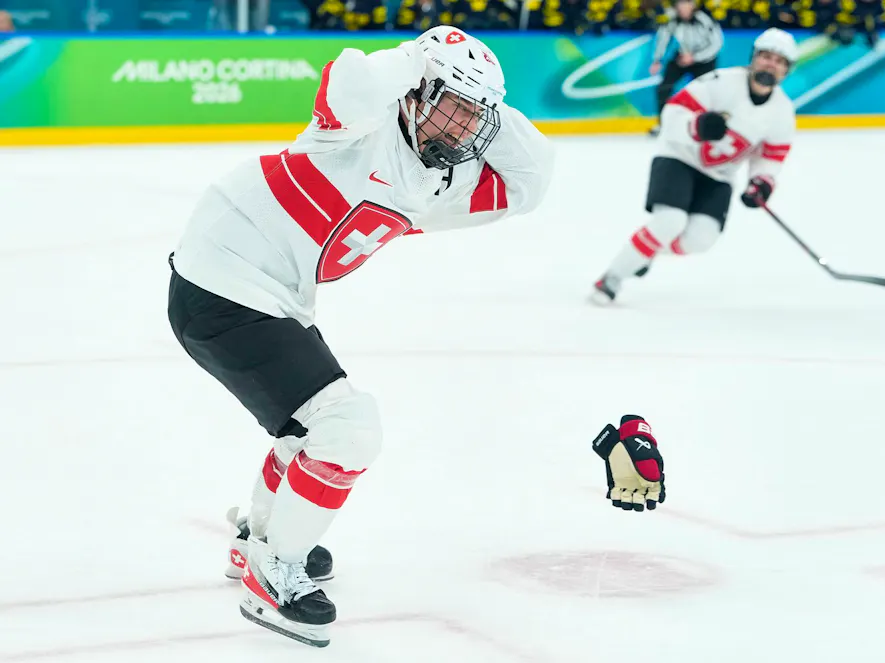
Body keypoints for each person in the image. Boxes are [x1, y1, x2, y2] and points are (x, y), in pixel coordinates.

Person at [166, 25, 553, 647]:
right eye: (449, 108)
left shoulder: (435, 185)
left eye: (472, 119)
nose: (459, 132)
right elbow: (352, 80)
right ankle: (275, 573)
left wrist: (485, 100)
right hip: (221, 286)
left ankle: (260, 543)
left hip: (264, 300)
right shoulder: (356, 130)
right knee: (346, 430)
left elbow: (530, 181)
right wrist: (420, 57)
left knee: (308, 431)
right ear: (414, 92)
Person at [591, 28, 797, 304]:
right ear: (754, 58)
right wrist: (696, 126)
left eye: (779, 61)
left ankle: (644, 252)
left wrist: (762, 181)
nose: (771, 64)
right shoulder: (719, 82)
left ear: (787, 70)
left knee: (701, 239)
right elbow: (672, 112)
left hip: (720, 175)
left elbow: (770, 157)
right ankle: (612, 278)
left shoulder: (783, 112)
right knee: (669, 221)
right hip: (680, 156)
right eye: (766, 56)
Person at [648, 0, 723, 135]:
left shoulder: (705, 20)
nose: (682, 8)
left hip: (704, 59)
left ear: (692, 5)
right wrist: (657, 60)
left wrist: (695, 57)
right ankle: (663, 124)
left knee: (707, 92)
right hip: (682, 57)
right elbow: (663, 39)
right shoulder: (672, 21)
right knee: (663, 88)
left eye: (685, 4)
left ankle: (707, 126)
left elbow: (716, 44)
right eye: (679, 4)